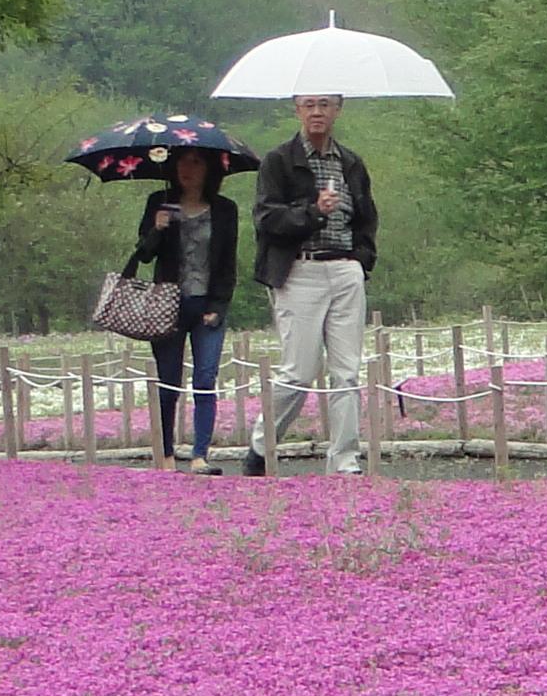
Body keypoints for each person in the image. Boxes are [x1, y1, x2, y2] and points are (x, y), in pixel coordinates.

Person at [248, 92, 374, 476]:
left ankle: (345, 459)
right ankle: (260, 447)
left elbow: (367, 217)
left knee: (347, 369)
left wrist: (361, 260)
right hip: (300, 271)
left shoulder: (351, 162)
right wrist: (313, 212)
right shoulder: (279, 161)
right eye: (309, 104)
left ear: (338, 109)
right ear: (297, 109)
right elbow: (267, 219)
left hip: (345, 269)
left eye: (325, 104)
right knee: (299, 372)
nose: (317, 112)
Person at [134, 146, 240, 471]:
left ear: (209, 169)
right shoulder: (159, 202)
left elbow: (227, 263)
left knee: (205, 379)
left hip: (207, 304)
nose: (187, 169)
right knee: (169, 381)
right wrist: (158, 228)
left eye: (195, 162)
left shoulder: (224, 210)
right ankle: (165, 454)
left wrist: (218, 305)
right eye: (182, 161)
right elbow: (144, 254)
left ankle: (199, 455)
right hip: (167, 304)